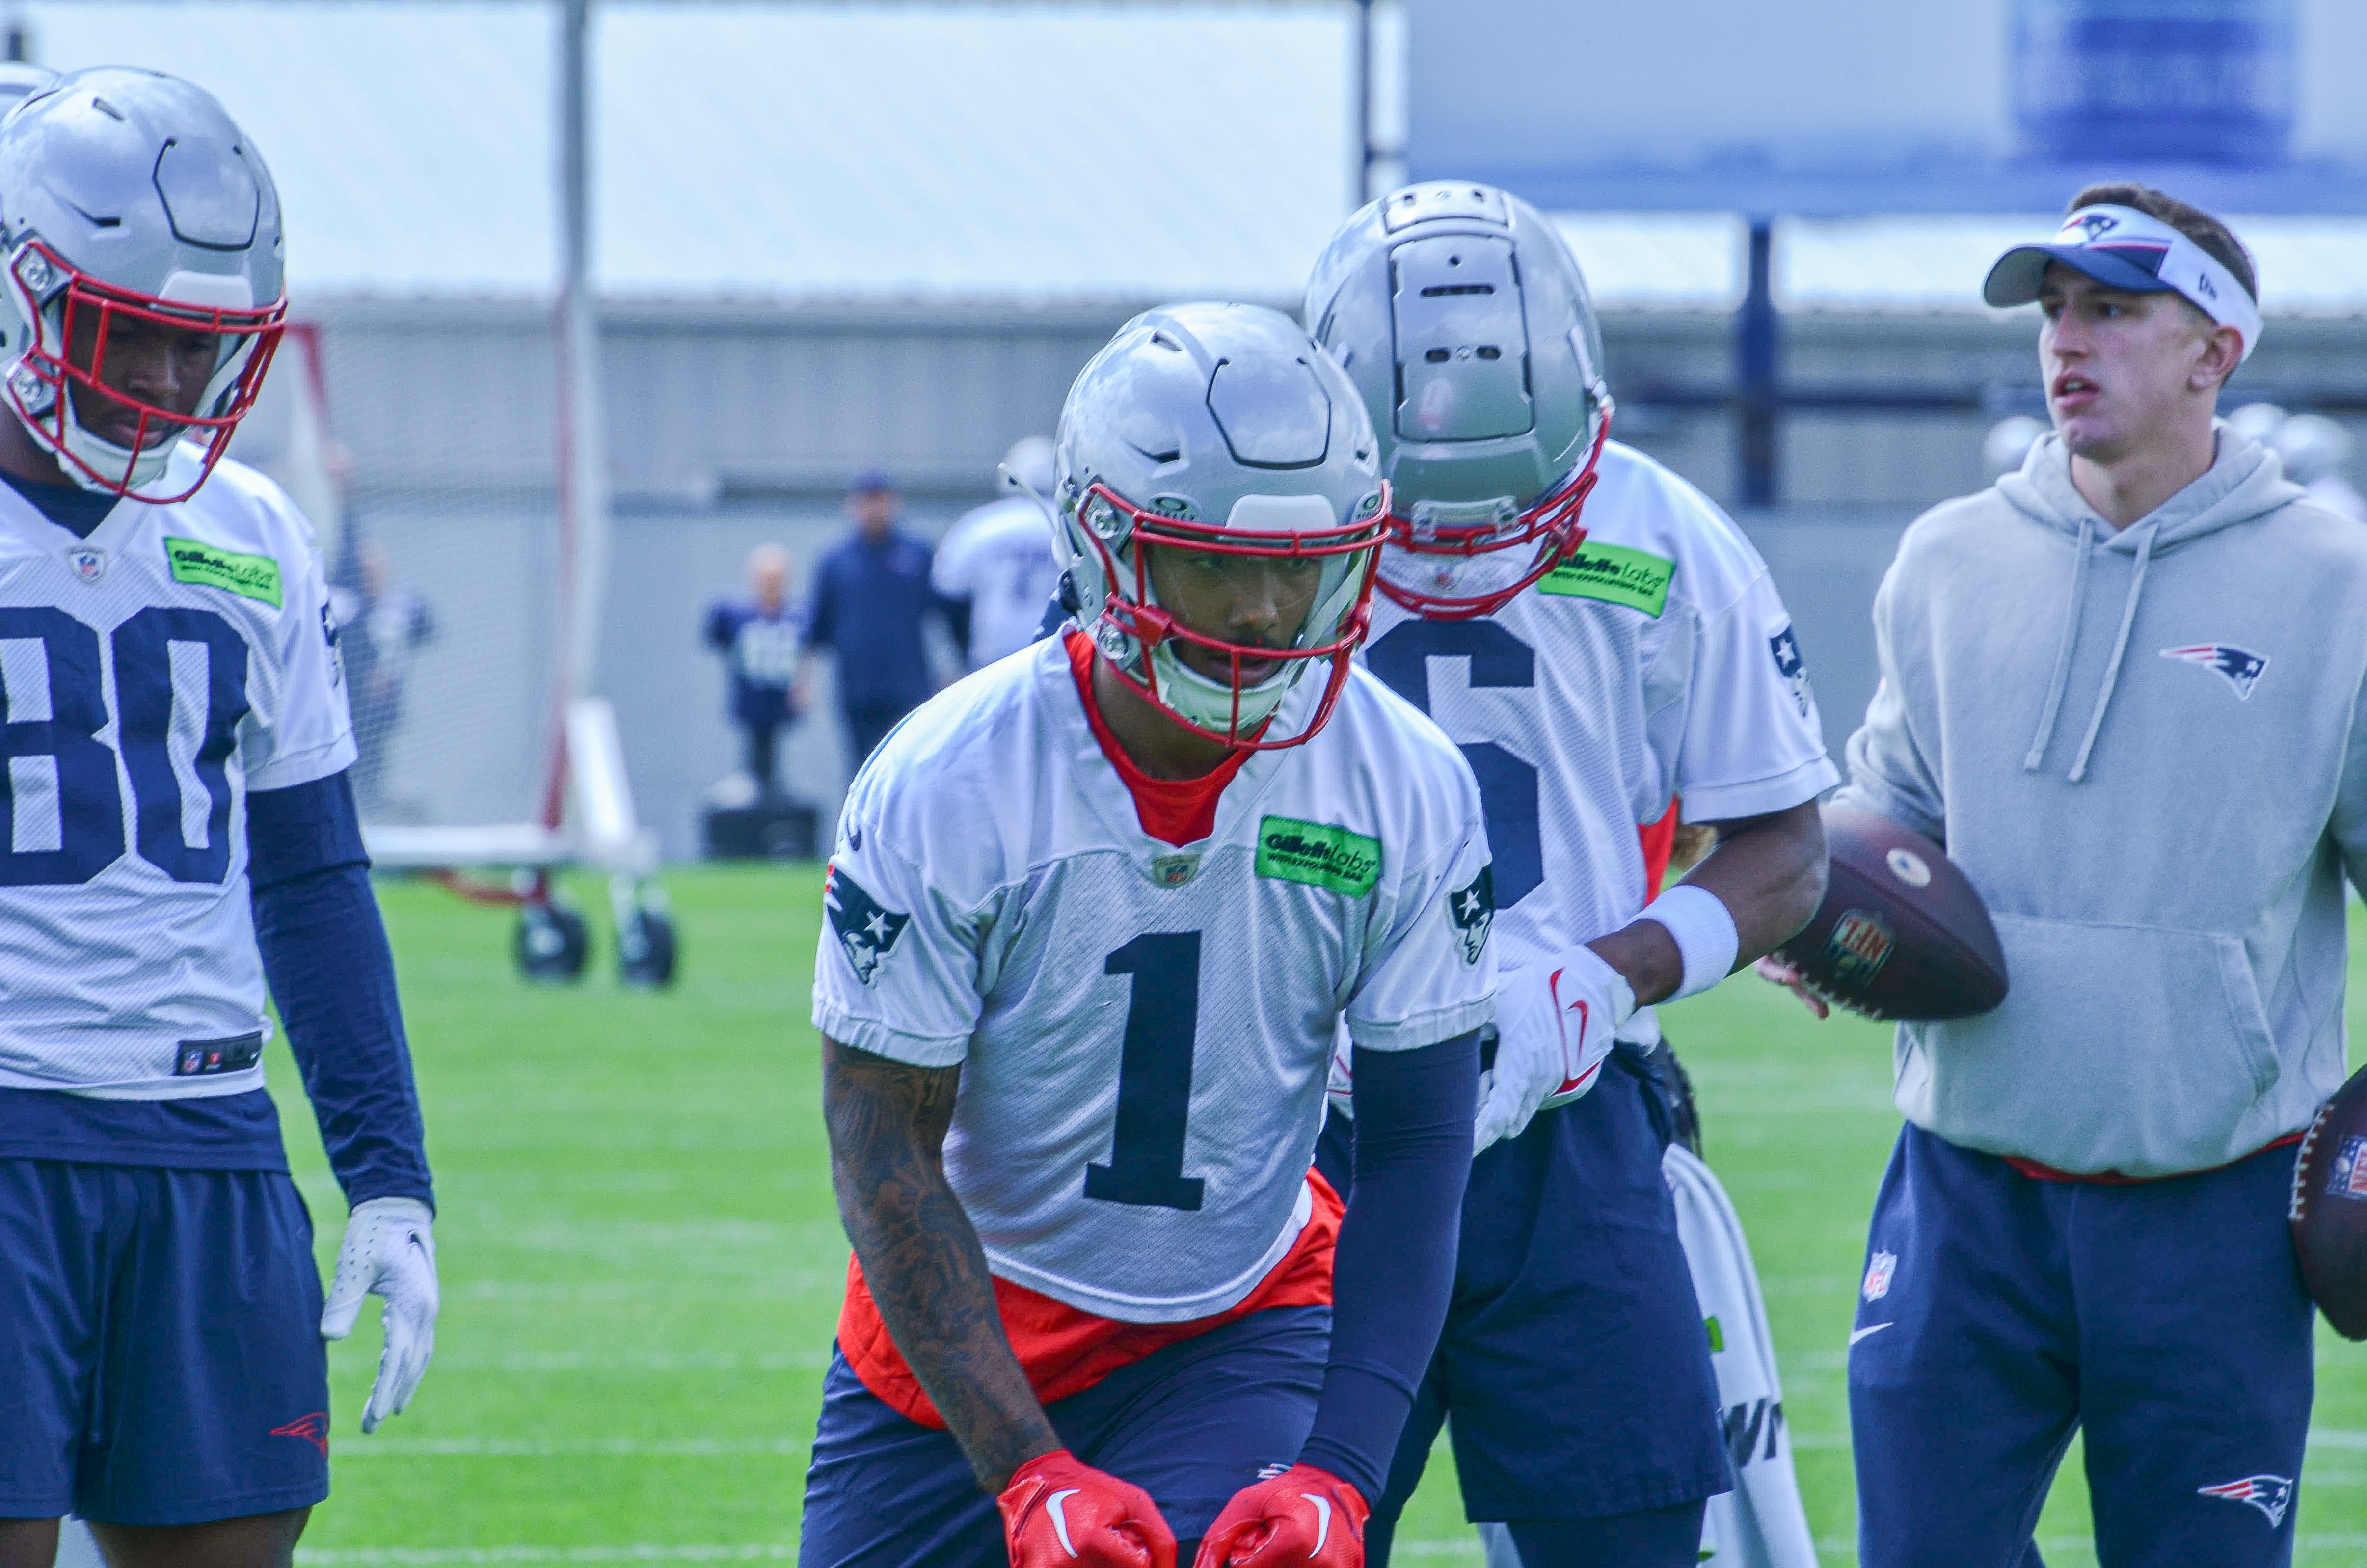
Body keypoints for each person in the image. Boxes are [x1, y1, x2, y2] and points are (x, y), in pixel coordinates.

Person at [799, 303, 1493, 1568]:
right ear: (1101, 544)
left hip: (1232, 1324)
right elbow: (878, 1144)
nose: (1272, 610)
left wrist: (1342, 1474)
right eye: (1213, 560)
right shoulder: (947, 782)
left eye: (1306, 562)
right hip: (954, 1343)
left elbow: (1417, 1141)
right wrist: (1024, 1473)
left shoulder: (1403, 783)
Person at [1807, 184, 2367, 1566]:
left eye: (2112, 310)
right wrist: (1812, 915)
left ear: (2211, 350)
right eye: (2052, 311)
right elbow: (1885, 810)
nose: (2066, 340)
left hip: (2215, 1217)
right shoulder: (1943, 560)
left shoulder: (2335, 585)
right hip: (1960, 1199)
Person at [1301, 182, 1834, 1567]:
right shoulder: (1265, 535)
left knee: (1630, 1537)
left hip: (1571, 1113)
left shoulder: (1666, 539)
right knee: (1270, 1534)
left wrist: (1604, 976)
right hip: (1306, 1130)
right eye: (1421, 521)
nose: (1464, 549)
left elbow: (1785, 850)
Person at [0, 70, 436, 1568]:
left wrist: (386, 1170)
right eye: (136, 336)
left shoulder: (248, 529)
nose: (172, 387)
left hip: (207, 1138)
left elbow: (310, 870)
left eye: (203, 347)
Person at [798, 469, 958, 772]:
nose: (873, 508)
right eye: (865, 501)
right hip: (858, 687)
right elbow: (817, 627)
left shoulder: (917, 554)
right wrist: (802, 680)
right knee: (861, 770)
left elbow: (947, 615)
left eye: (880, 500)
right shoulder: (835, 560)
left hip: (909, 686)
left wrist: (955, 669)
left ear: (893, 503)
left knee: (909, 769)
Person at [932, 435, 1064, 670]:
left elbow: (950, 596)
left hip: (995, 655)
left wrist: (965, 653)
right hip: (1058, 653)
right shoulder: (1069, 526)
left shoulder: (981, 525)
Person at [703, 542, 803, 795]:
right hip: (751, 693)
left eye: (777, 578)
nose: (771, 585)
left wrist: (803, 686)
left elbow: (805, 653)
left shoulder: (798, 616)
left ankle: (770, 788)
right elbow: (717, 638)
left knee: (773, 746)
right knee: (755, 745)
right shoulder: (735, 614)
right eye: (766, 578)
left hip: (779, 695)